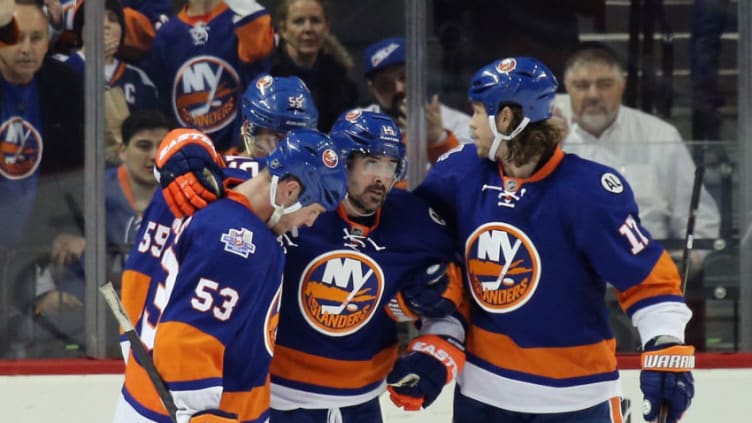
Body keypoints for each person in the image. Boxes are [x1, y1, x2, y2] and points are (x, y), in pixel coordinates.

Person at [401, 57, 695, 423]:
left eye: (478, 112)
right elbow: (413, 245)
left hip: (577, 399)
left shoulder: (588, 191)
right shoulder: (458, 174)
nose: (471, 124)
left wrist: (665, 343)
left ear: (505, 119)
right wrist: (437, 329)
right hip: (482, 391)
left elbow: (645, 277)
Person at [114, 127, 348, 423]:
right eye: (313, 210)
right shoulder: (241, 242)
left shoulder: (225, 211)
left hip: (149, 401)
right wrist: (199, 413)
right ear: (290, 191)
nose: (310, 222)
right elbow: (188, 338)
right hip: (178, 414)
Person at [268, 109, 464, 422]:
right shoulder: (294, 205)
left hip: (364, 403)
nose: (382, 178)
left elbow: (450, 304)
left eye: (390, 165)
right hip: (278, 400)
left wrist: (434, 355)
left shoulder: (417, 224)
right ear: (342, 162)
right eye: (372, 163)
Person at [119, 73, 318, 355]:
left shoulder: (319, 194)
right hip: (206, 355)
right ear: (248, 129)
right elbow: (145, 269)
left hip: (278, 360)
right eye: (276, 137)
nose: (286, 151)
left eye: (299, 138)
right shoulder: (195, 180)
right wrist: (134, 347)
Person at [561, 43, 721, 350]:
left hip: (642, 284)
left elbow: (702, 216)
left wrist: (689, 260)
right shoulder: (547, 133)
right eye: (582, 86)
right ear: (567, 89)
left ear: (623, 86)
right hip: (567, 287)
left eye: (604, 84)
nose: (593, 94)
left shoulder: (659, 135)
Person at [0, 0, 84, 358]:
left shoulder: (62, 84)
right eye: (16, 38)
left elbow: (79, 168)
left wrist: (75, 228)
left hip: (35, 243)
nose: (26, 48)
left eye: (36, 38)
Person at [144, 0, 275, 152]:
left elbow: (257, 84)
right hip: (187, 158)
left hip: (239, 153)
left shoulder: (247, 19)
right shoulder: (166, 36)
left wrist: (241, 146)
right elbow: (164, 107)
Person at [362, 36, 472, 164]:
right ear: (372, 89)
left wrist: (439, 140)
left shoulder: (458, 124)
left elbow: (466, 177)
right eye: (385, 84)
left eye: (404, 77)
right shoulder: (358, 126)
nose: (398, 89)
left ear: (420, 76)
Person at [271, 0, 358, 132]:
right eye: (299, 21)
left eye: (315, 21)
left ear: (327, 28)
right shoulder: (266, 77)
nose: (308, 29)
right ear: (283, 30)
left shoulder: (341, 85)